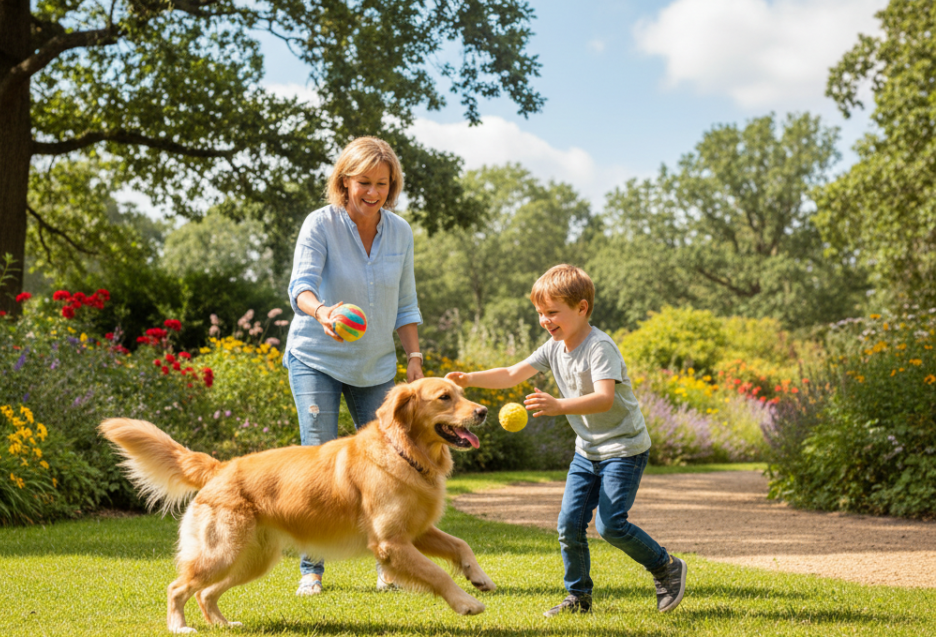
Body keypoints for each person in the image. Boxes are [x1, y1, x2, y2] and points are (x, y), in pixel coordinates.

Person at [445, 264, 686, 616]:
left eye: (553, 312)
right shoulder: (553, 348)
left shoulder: (600, 348)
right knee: (568, 525)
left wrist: (558, 406)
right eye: (541, 313)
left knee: (610, 524)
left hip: (623, 449)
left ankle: (666, 566)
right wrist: (469, 378)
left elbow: (604, 397)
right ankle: (579, 598)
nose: (545, 320)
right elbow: (513, 373)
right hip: (587, 452)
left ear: (582, 308)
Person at [284, 136, 424, 597]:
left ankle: (389, 562)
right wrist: (322, 312)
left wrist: (415, 359)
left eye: (383, 183)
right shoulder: (320, 225)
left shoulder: (400, 232)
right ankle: (312, 570)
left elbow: (406, 304)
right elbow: (300, 287)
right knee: (319, 461)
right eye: (364, 181)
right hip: (315, 358)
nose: (373, 191)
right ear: (344, 181)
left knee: (391, 465)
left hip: (376, 366)